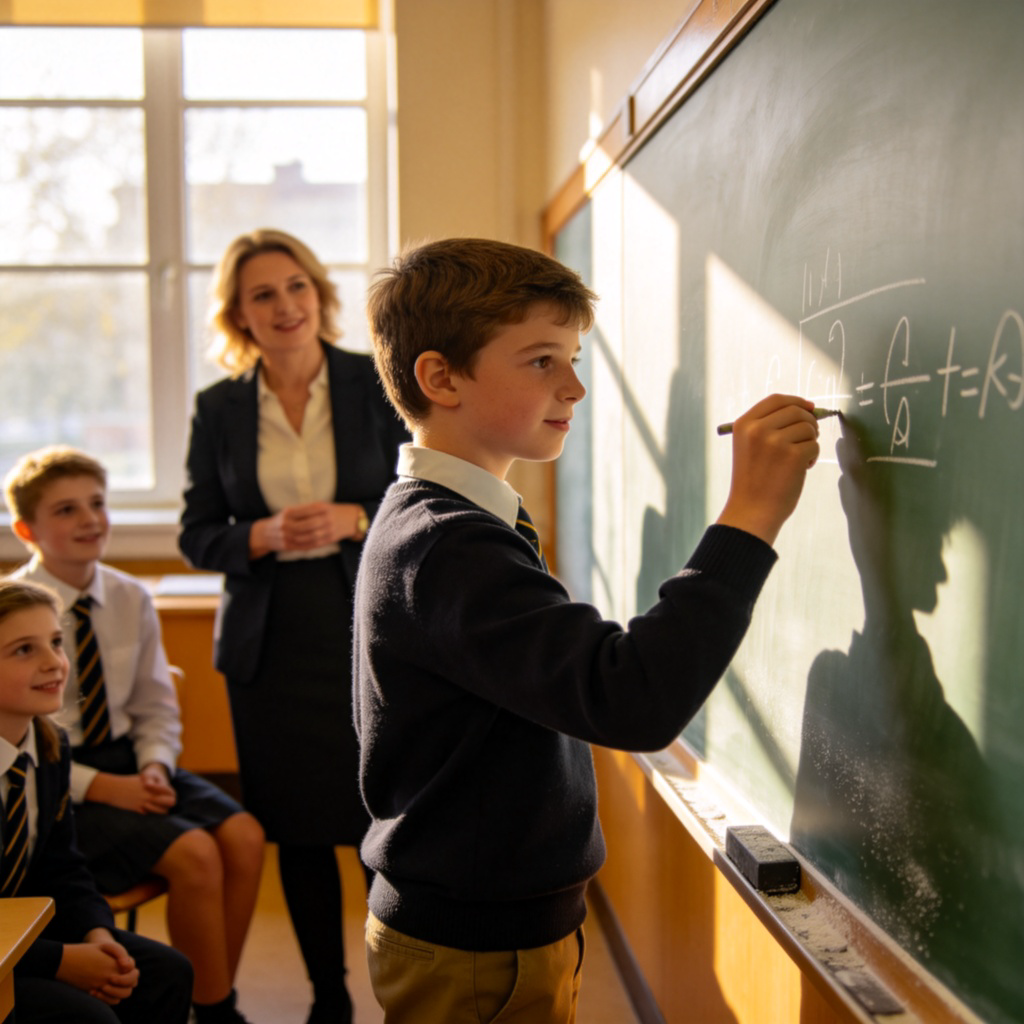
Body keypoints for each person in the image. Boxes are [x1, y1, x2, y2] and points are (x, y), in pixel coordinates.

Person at [353, 237, 820, 1024]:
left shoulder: (451, 525)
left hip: (493, 934)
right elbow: (629, 697)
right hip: (477, 953)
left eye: (572, 359)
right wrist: (752, 517)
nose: (573, 386)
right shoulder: (447, 545)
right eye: (541, 361)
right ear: (440, 377)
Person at [178, 228, 409, 1024]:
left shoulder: (372, 382)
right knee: (301, 833)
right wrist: (260, 536)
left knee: (381, 826)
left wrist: (356, 516)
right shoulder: (219, 409)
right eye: (262, 295)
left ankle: (397, 989)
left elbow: (426, 494)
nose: (284, 306)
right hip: (269, 651)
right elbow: (196, 532)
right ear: (239, 315)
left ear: (319, 292)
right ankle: (328, 998)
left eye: (296, 287)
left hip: (370, 635)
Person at [4, 447, 266, 1024]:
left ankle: (214, 993)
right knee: (196, 853)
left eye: (97, 504)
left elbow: (155, 703)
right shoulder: (18, 614)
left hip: (129, 757)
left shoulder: (130, 596)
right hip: (67, 775)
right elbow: (26, 745)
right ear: (28, 530)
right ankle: (217, 1012)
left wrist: (153, 765)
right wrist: (104, 788)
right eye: (67, 509)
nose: (90, 520)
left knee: (244, 835)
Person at [0, 577, 194, 1023]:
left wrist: (96, 934)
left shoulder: (49, 746)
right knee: (91, 1018)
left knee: (167, 973)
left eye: (55, 642)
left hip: (28, 930)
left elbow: (62, 866)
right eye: (24, 650)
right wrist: (60, 961)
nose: (54, 662)